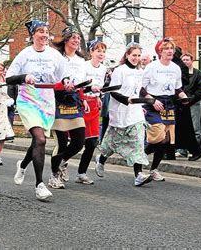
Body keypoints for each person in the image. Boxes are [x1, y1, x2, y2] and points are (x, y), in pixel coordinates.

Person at [6, 19, 67, 201]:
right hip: (28, 100)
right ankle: (39, 185)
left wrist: (67, 82)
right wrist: (25, 76)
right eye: (40, 31)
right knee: (40, 139)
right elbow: (9, 78)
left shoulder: (55, 55)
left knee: (37, 141)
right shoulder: (24, 55)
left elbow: (63, 77)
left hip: (47, 102)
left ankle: (23, 164)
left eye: (46, 31)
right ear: (33, 35)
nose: (44, 34)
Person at [94, 42, 152, 186]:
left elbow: (139, 90)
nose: (136, 58)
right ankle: (101, 160)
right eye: (134, 55)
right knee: (110, 144)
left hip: (136, 113)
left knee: (138, 143)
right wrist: (126, 100)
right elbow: (113, 91)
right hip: (120, 112)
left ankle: (138, 175)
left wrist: (146, 98)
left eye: (138, 56)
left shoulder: (140, 71)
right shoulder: (120, 71)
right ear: (127, 55)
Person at [141, 38, 189, 182]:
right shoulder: (151, 67)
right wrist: (152, 100)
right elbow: (141, 89)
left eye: (171, 49)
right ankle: (139, 156)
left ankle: (154, 169)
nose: (169, 51)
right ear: (160, 51)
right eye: (166, 48)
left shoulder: (175, 68)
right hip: (153, 103)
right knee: (158, 135)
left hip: (169, 104)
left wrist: (183, 96)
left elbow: (177, 87)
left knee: (166, 140)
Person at [47, 26, 88, 188]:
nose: (76, 41)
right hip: (57, 100)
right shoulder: (56, 57)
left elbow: (81, 83)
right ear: (65, 39)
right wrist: (62, 85)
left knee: (79, 142)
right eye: (73, 38)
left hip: (74, 101)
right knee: (62, 143)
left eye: (78, 38)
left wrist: (83, 98)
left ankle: (62, 162)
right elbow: (50, 80)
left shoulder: (81, 61)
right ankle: (53, 175)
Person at [77, 40, 107, 183]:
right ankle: (60, 163)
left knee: (92, 142)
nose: (101, 54)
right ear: (91, 52)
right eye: (98, 51)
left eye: (103, 51)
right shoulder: (84, 66)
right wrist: (84, 98)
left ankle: (81, 173)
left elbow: (99, 87)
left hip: (94, 105)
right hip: (83, 104)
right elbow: (79, 86)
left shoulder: (103, 68)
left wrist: (99, 97)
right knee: (78, 141)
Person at [176, 53, 201, 158]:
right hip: (181, 103)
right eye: (183, 60)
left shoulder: (198, 74)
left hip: (194, 103)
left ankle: (195, 150)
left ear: (192, 61)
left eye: (187, 59)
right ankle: (182, 150)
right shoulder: (179, 74)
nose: (185, 61)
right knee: (182, 128)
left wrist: (192, 99)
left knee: (195, 127)